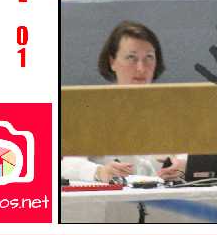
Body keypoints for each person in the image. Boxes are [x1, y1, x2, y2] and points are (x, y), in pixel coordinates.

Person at [60, 21, 185, 183]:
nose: (141, 68)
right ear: (112, 61)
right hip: (111, 196)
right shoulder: (91, 110)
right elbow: (67, 165)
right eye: (131, 58)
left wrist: (183, 165)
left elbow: (190, 156)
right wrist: (100, 171)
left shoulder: (173, 109)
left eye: (149, 57)